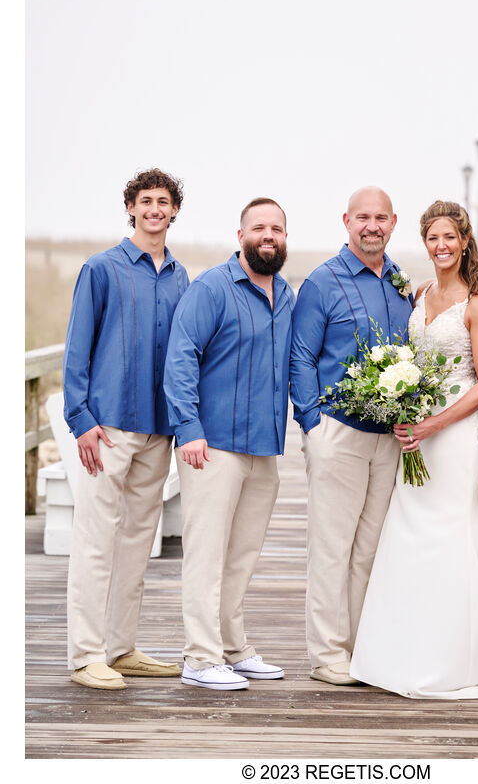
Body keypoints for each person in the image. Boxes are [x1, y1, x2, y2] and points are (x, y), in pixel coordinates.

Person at [350, 200, 478, 699]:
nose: (442, 246)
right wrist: (401, 408)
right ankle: (399, 652)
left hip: (456, 432)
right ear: (424, 243)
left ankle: (456, 658)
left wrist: (433, 424)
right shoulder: (420, 291)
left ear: (465, 241)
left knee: (453, 530)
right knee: (407, 529)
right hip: (417, 428)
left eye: (450, 237)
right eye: (433, 238)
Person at [64, 168, 189, 690]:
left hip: (158, 429)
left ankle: (121, 647)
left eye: (164, 201)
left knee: (139, 540)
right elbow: (77, 347)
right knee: (96, 540)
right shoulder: (102, 269)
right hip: (108, 427)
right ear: (131, 209)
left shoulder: (182, 277)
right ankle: (84, 655)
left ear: (175, 211)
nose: (155, 209)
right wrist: (81, 420)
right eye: (146, 201)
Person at [163, 198, 294, 691]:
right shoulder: (211, 289)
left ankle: (232, 647)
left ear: (285, 238)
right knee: (206, 552)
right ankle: (199, 657)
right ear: (240, 234)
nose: (268, 235)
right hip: (212, 445)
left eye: (277, 228)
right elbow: (181, 358)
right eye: (259, 227)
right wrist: (189, 428)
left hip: (263, 448)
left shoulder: (286, 295)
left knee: (241, 554)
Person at [290, 186, 413, 685]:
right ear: (346, 221)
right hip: (337, 432)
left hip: (387, 437)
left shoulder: (400, 283)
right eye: (363, 217)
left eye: (381, 218)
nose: (372, 226)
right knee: (332, 546)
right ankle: (327, 654)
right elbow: (301, 356)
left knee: (370, 550)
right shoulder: (322, 281)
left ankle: (363, 647)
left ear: (393, 222)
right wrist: (311, 424)